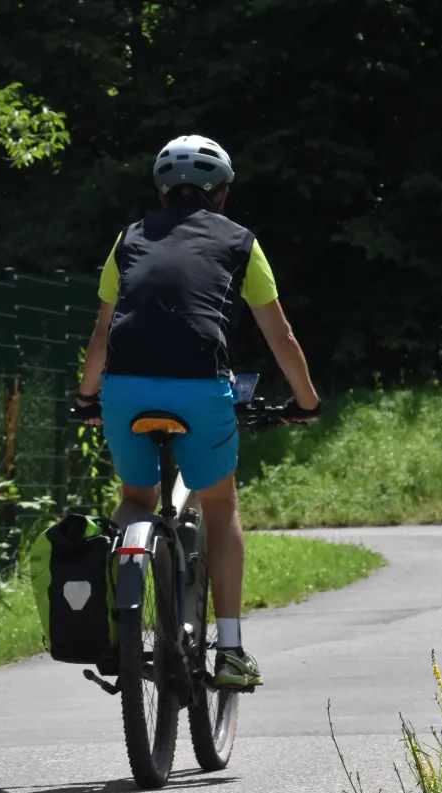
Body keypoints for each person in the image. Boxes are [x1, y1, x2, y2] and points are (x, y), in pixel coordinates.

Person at [73, 135, 321, 692]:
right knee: (220, 501)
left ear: (162, 193)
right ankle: (230, 649)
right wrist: (305, 401)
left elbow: (101, 333)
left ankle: (118, 629)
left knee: (134, 499)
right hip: (199, 390)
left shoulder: (129, 237)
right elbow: (278, 334)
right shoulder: (240, 241)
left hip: (124, 390)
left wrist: (87, 398)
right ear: (223, 193)